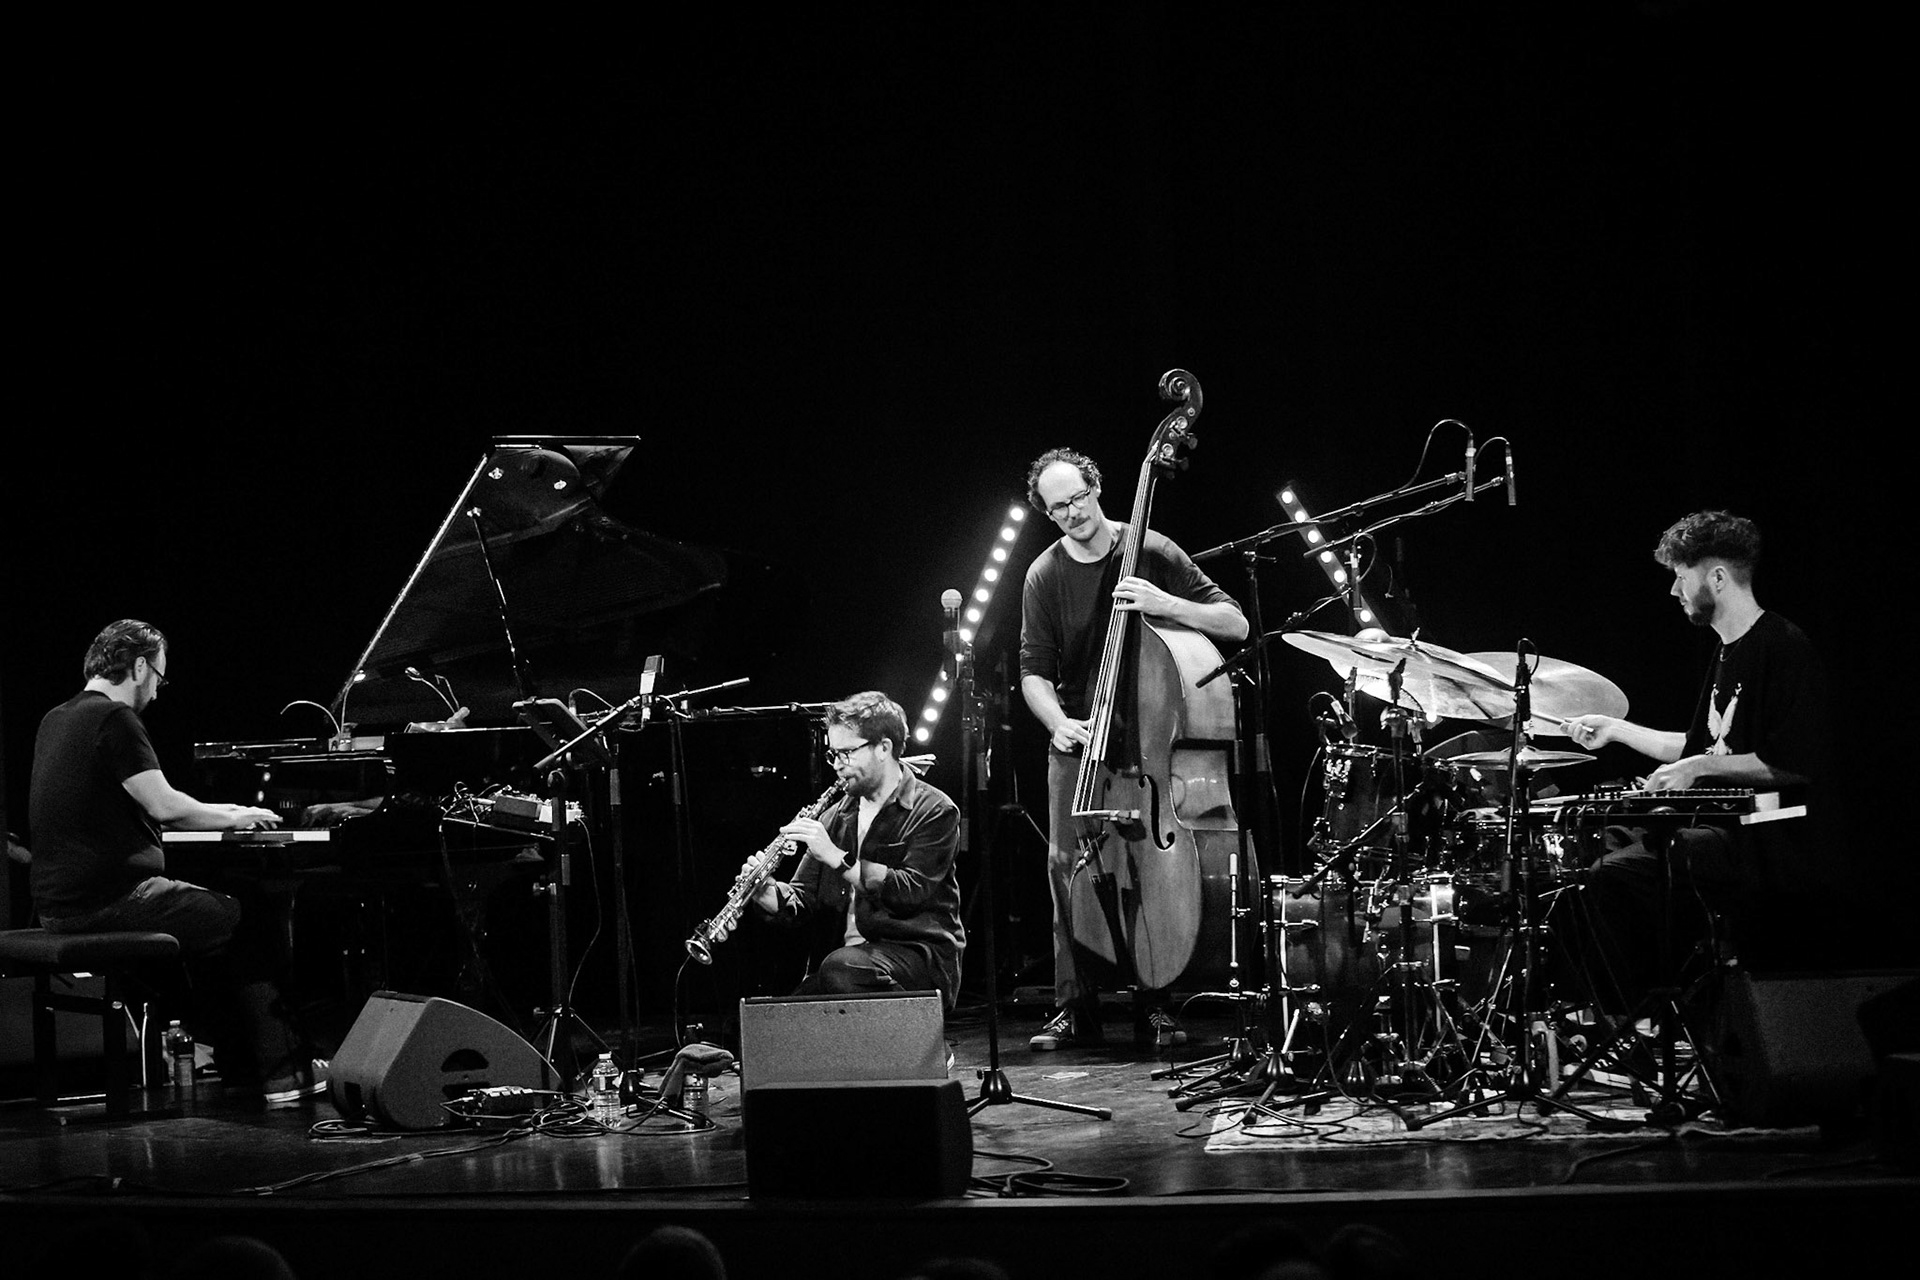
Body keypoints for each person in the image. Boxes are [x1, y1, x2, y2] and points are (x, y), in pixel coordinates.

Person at [26, 619, 321, 1101]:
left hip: (59, 906)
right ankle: (286, 1074)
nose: (159, 692)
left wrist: (236, 812)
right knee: (249, 917)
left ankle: (238, 1067)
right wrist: (240, 816)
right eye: (160, 679)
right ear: (140, 666)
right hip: (112, 900)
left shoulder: (56, 718)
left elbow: (157, 800)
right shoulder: (115, 719)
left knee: (209, 927)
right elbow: (167, 808)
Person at [1018, 447, 1249, 1051]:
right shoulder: (1043, 575)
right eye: (1057, 506)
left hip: (1152, 741)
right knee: (1064, 866)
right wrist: (1057, 722)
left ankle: (1153, 1000)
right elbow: (1033, 673)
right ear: (1046, 512)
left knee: (1148, 868)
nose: (1072, 513)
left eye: (1078, 498)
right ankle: (1076, 1005)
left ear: (1097, 487)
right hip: (1082, 744)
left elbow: (1235, 623)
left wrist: (1165, 604)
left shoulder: (1151, 550)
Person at [1562, 510, 1832, 1016]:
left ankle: (1636, 1017)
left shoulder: (1782, 647)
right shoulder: (1725, 653)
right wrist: (1616, 729)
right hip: (1723, 828)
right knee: (1597, 847)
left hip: (1767, 836)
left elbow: (1795, 764)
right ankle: (1620, 1014)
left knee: (1615, 877)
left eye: (1680, 577)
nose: (1674, 592)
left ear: (1717, 577)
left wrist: (1697, 770)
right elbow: (1695, 748)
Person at [748, 691, 965, 1008]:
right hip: (850, 965)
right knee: (776, 1021)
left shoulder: (934, 809)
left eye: (847, 753)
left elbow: (911, 891)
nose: (837, 765)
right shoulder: (835, 816)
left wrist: (837, 857)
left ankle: (924, 1041)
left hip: (918, 955)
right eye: (833, 754)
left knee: (842, 967)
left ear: (883, 748)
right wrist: (767, 893)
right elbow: (802, 897)